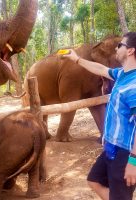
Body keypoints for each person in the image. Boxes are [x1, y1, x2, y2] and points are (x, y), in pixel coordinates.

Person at [64, 32, 136, 200]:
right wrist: (76, 59)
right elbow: (101, 69)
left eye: (120, 45)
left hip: (125, 153)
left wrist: (133, 161)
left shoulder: (134, 85)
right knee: (94, 180)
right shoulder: (122, 74)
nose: (117, 49)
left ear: (131, 51)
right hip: (112, 148)